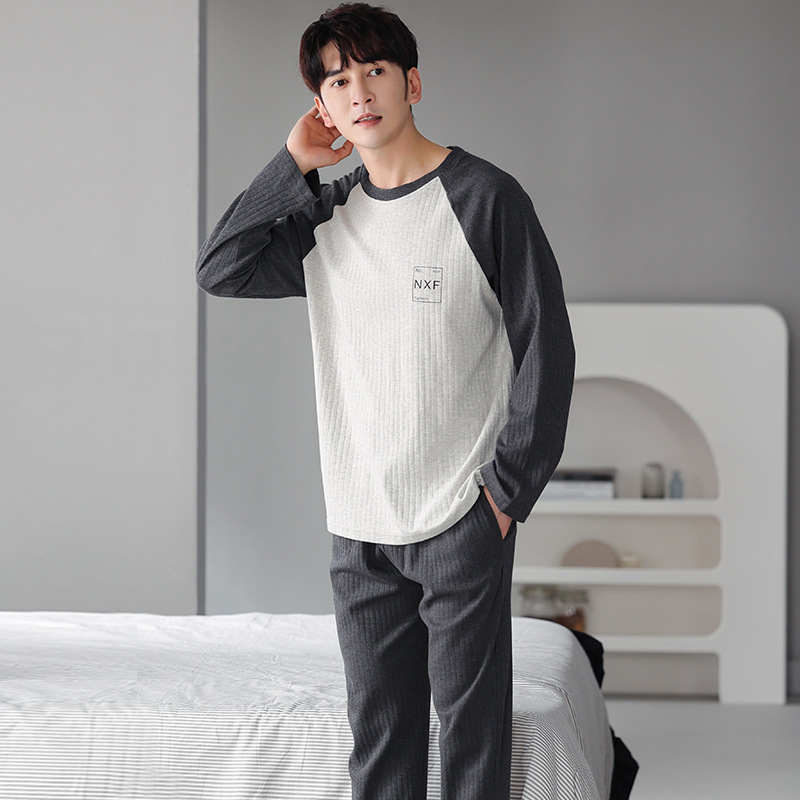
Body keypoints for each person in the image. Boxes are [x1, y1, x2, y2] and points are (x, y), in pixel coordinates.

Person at [196, 4, 575, 798]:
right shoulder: (325, 218)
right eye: (338, 81)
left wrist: (505, 496)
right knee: (381, 743)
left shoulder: (484, 197)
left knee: (472, 744)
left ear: (412, 83)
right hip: (358, 525)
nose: (360, 92)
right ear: (323, 107)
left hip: (460, 517)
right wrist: (292, 163)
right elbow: (222, 267)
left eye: (374, 71)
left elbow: (547, 345)